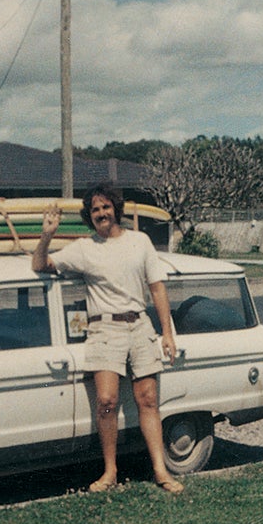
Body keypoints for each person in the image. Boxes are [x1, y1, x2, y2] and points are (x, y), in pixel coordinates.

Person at [31, 183, 183, 495]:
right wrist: (47, 235)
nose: (101, 213)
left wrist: (167, 334)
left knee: (148, 399)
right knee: (106, 402)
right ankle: (110, 471)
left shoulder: (140, 242)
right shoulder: (84, 248)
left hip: (140, 325)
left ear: (116, 208)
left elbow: (157, 288)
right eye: (95, 210)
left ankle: (160, 470)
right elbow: (40, 265)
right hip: (103, 329)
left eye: (105, 207)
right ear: (90, 216)